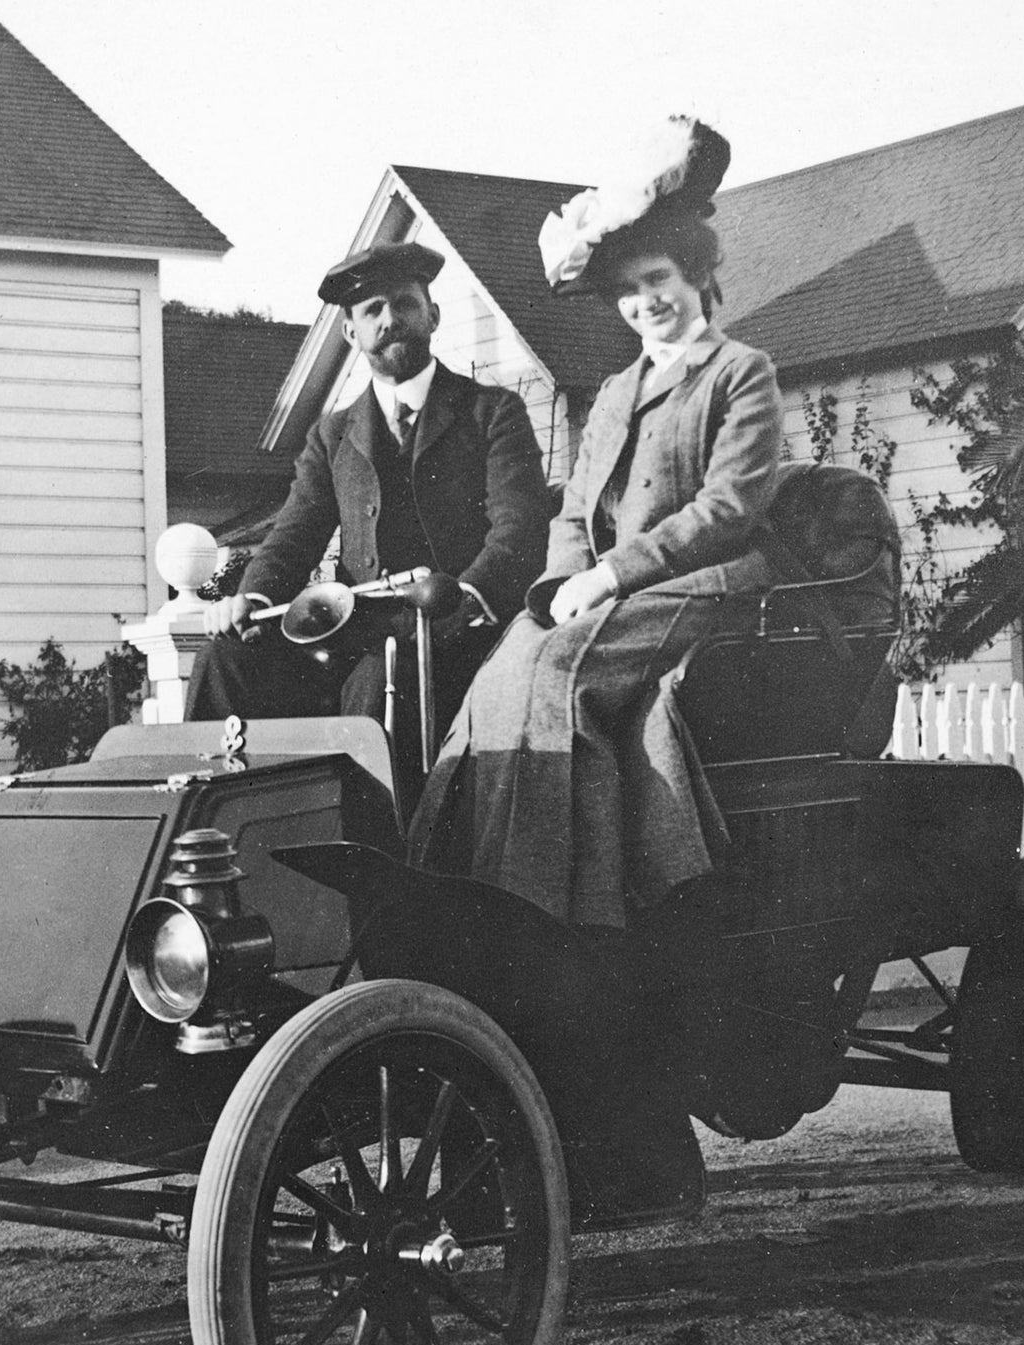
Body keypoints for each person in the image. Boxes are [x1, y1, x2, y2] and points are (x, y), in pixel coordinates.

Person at [409, 118, 894, 930]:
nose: (647, 303)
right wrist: (562, 582)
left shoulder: (740, 372)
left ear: (698, 275)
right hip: (609, 594)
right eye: (629, 291)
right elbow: (574, 507)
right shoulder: (611, 392)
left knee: (561, 671)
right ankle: (458, 899)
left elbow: (727, 508)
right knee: (500, 672)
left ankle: (565, 913)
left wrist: (608, 578)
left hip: (713, 582)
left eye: (660, 278)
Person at [185, 240, 554, 784]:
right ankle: (217, 833)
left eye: (404, 304)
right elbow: (294, 534)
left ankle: (373, 851)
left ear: (432, 314)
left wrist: (463, 600)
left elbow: (518, 531)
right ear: (350, 332)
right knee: (225, 661)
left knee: (380, 679)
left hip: (458, 638)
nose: (390, 320)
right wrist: (252, 599)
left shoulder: (492, 413)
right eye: (372, 311)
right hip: (353, 638)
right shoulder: (332, 435)